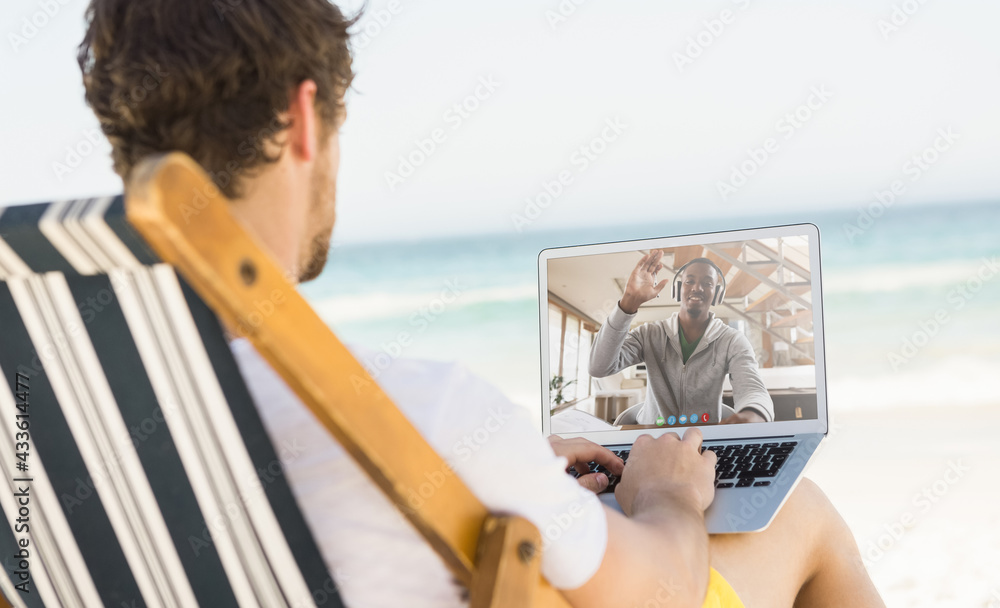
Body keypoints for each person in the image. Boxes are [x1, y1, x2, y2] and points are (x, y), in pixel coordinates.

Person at [76, 1, 883, 606]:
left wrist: (518, 468)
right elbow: (660, 595)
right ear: (302, 120)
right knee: (803, 517)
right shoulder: (429, 408)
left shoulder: (48, 405)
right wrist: (669, 493)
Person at [590, 250, 774, 426]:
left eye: (708, 283)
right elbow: (599, 367)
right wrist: (628, 302)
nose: (697, 288)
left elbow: (752, 387)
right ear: (678, 289)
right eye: (690, 281)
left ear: (717, 294)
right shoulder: (649, 334)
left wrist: (754, 414)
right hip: (652, 436)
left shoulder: (732, 341)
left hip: (702, 438)